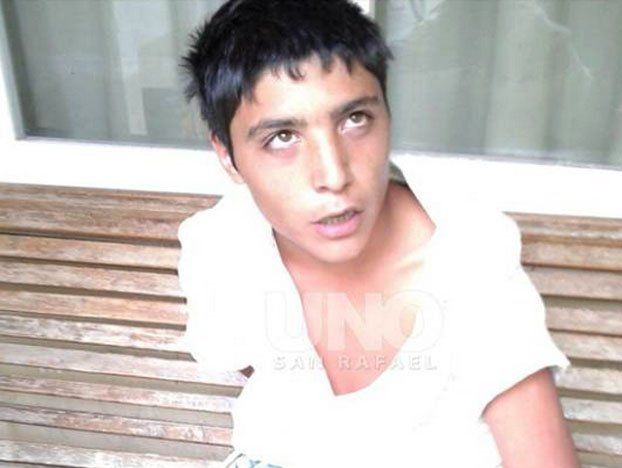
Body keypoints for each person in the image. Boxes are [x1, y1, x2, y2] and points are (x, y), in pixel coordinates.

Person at [177, 0, 580, 466]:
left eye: (355, 119)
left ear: (386, 114)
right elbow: (260, 371)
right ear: (228, 157)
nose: (333, 175)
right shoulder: (220, 243)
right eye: (282, 137)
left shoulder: (469, 262)